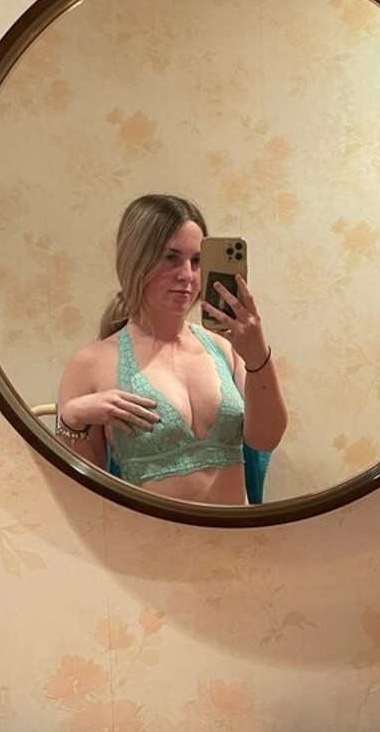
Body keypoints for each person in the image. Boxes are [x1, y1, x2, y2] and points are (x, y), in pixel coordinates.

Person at [55, 194, 287, 505]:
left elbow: (267, 438)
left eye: (197, 261)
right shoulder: (92, 362)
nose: (187, 276)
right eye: (171, 258)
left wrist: (258, 356)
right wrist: (72, 418)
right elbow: (83, 496)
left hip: (237, 532)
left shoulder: (223, 348)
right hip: (151, 534)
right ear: (136, 259)